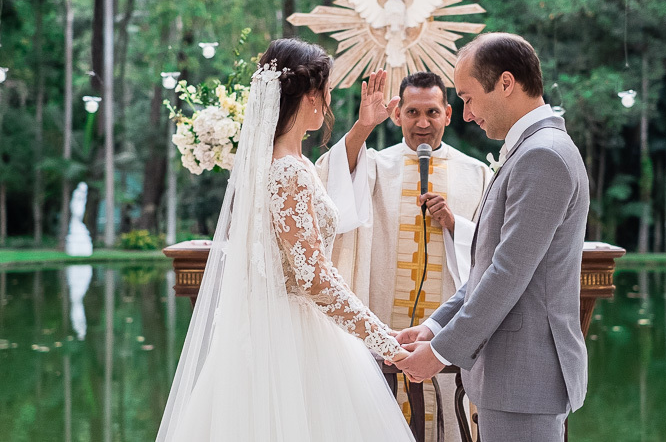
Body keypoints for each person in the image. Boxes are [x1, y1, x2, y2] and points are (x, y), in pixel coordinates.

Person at [157, 39, 414, 441]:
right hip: (294, 342)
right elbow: (312, 277)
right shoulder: (288, 171)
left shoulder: (289, 165)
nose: (329, 102)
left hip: (271, 330)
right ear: (311, 95)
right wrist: (382, 338)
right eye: (327, 91)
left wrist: (364, 126)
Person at [394, 33, 590, 442]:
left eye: (467, 98)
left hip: (526, 379)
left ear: (505, 83)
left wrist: (442, 351)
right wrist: (433, 326)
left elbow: (508, 273)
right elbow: (489, 266)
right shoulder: (531, 149)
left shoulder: (544, 155)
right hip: (512, 378)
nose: (465, 115)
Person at [316, 70, 492, 441]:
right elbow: (329, 184)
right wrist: (363, 127)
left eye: (432, 112)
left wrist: (455, 225)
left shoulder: (476, 174)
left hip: (445, 329)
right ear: (397, 115)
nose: (423, 122)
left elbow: (493, 252)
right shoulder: (375, 166)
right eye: (412, 112)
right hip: (383, 316)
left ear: (448, 113)